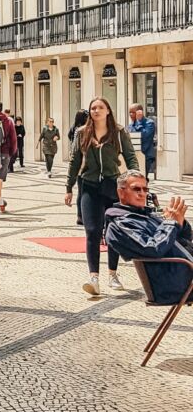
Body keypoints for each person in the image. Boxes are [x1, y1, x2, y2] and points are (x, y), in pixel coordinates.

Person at [66, 95, 139, 298]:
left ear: (108, 110)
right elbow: (74, 161)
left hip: (112, 186)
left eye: (100, 107)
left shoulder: (118, 131)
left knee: (112, 231)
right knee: (92, 231)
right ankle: (94, 278)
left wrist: (135, 177)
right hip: (89, 186)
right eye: (93, 108)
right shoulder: (82, 133)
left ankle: (113, 274)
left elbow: (130, 155)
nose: (95, 111)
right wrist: (69, 187)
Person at [106, 171, 193, 303]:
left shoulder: (145, 215)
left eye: (145, 189)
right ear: (121, 192)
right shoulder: (121, 223)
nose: (142, 194)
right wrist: (170, 223)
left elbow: (183, 240)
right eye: (136, 189)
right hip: (173, 284)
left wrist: (180, 223)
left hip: (183, 274)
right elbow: (154, 249)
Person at [128, 103, 157, 181]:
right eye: (129, 112)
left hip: (146, 155)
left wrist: (139, 122)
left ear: (139, 113)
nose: (131, 115)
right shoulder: (130, 126)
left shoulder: (149, 123)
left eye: (133, 112)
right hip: (134, 156)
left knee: (142, 178)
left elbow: (144, 136)